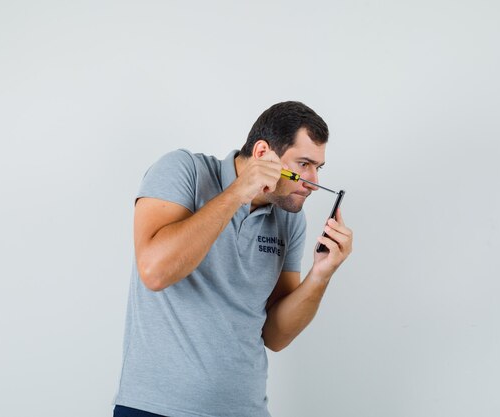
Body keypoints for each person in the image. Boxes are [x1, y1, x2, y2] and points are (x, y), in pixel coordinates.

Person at [113, 101, 353, 417]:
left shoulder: (290, 219)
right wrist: (239, 192)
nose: (311, 181)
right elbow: (155, 272)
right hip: (156, 408)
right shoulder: (183, 170)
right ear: (263, 153)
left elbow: (276, 337)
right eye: (304, 164)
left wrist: (321, 274)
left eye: (317, 168)